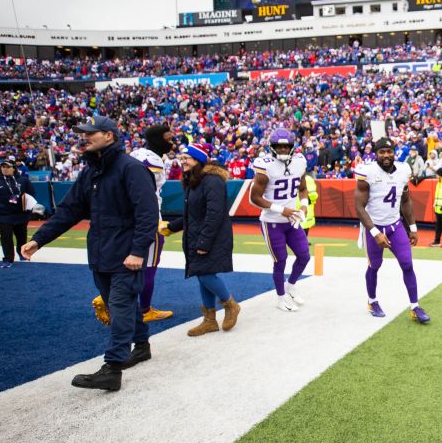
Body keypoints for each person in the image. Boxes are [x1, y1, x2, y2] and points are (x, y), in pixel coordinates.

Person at [21, 115, 159, 392]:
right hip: (100, 252)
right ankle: (141, 345)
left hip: (126, 254)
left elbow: (147, 213)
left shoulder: (131, 168)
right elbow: (70, 210)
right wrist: (39, 240)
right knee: (119, 305)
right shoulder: (89, 172)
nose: (84, 137)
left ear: (109, 135)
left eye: (90, 133)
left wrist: (137, 251)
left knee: (119, 306)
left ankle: (113, 368)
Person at [92, 123, 174, 324]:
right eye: (168, 138)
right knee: (149, 266)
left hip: (125, 219)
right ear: (157, 139)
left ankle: (109, 298)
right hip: (147, 218)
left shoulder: (135, 154)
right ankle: (144, 309)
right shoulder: (151, 161)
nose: (171, 142)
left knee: (127, 265)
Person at [160, 142, 240, 335]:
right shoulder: (194, 180)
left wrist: (204, 242)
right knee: (202, 274)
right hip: (198, 235)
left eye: (186, 158)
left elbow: (214, 214)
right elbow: (192, 215)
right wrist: (171, 227)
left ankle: (231, 305)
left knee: (205, 274)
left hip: (212, 237)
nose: (183, 161)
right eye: (182, 158)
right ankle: (209, 320)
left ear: (198, 160)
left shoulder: (212, 180)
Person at [354, 137, 429, 323]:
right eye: (382, 152)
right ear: (376, 153)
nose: (386, 155)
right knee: (374, 266)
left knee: (408, 265)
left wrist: (412, 227)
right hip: (374, 227)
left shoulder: (403, 169)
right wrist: (375, 233)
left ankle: (415, 307)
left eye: (389, 151)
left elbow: (405, 200)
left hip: (395, 226)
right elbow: (359, 207)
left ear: (394, 152)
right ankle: (372, 301)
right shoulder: (367, 171)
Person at [249, 128, 311, 312]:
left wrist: (305, 205)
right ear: (272, 147)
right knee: (280, 260)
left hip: (291, 220)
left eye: (286, 146)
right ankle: (280, 297)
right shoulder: (264, 164)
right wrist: (280, 209)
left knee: (304, 256)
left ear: (292, 147)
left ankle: (291, 285)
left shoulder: (300, 161)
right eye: (279, 146)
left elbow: (302, 188)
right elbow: (255, 198)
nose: (283, 150)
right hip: (271, 222)